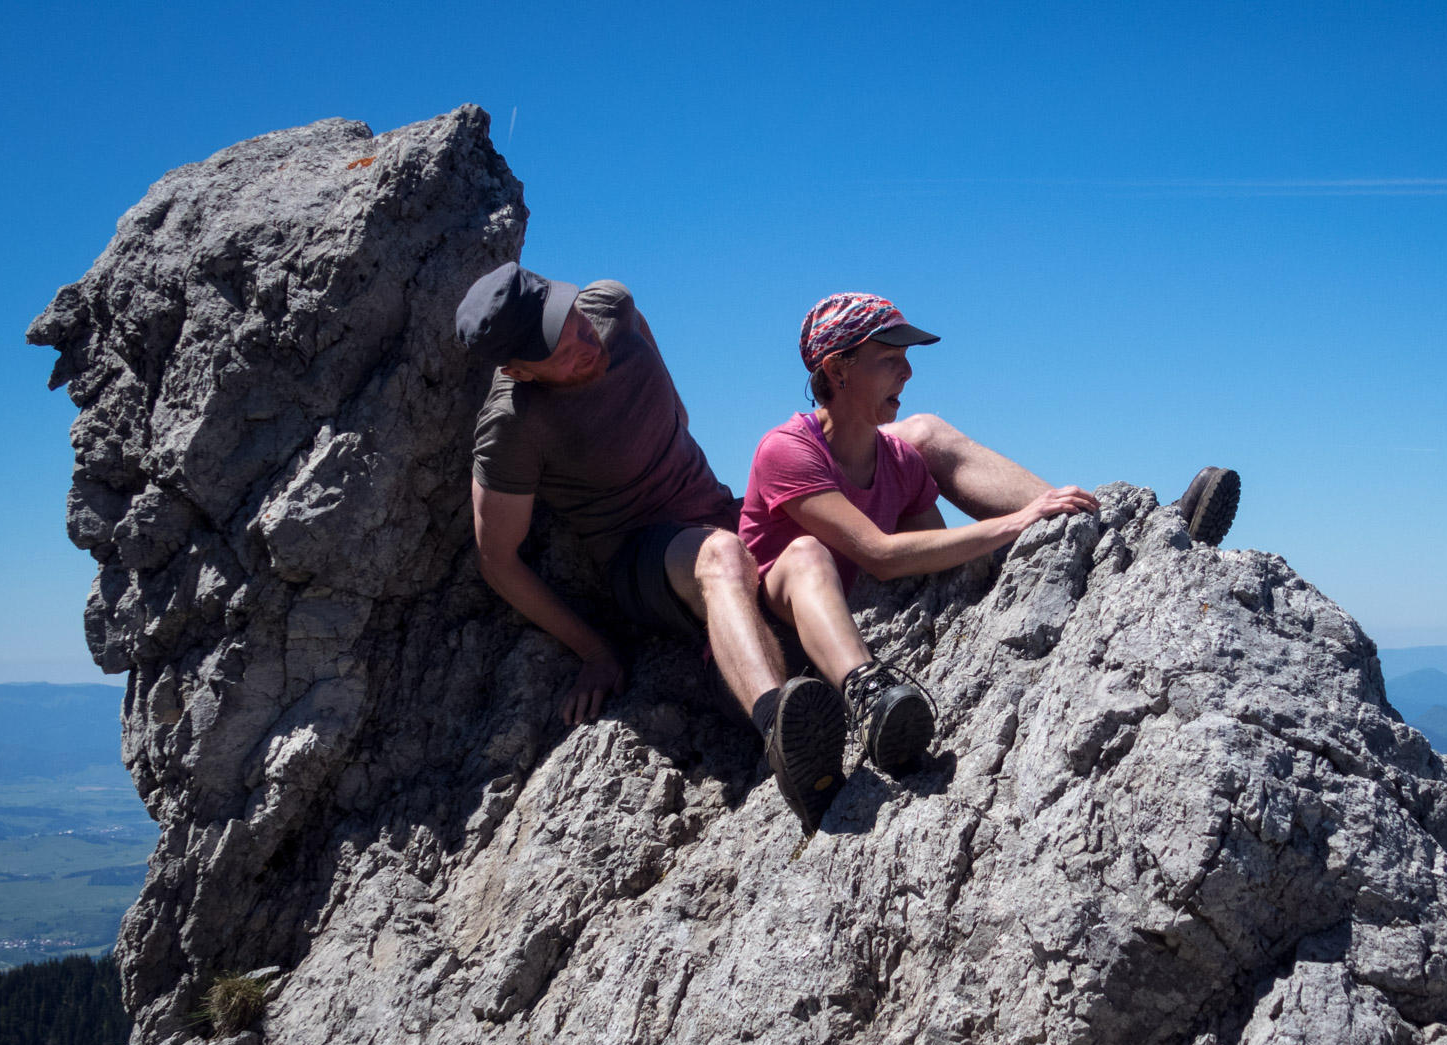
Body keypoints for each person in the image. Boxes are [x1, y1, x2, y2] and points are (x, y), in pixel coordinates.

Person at [739, 293, 1241, 781]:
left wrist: (1035, 544)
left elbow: (941, 562)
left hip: (865, 612)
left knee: (962, 524)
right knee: (807, 553)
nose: (908, 372)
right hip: (788, 651)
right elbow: (882, 555)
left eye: (907, 358)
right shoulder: (786, 451)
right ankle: (868, 696)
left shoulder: (900, 462)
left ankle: (1114, 540)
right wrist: (1019, 519)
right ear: (837, 369)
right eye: (889, 358)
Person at [457, 264, 847, 830]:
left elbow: (676, 411)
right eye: (555, 349)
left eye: (567, 318)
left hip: (719, 509)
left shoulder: (609, 307)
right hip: (641, 553)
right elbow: (497, 558)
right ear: (518, 371)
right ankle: (780, 727)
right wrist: (594, 650)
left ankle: (862, 690)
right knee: (721, 558)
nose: (580, 340)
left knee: (853, 502)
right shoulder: (513, 426)